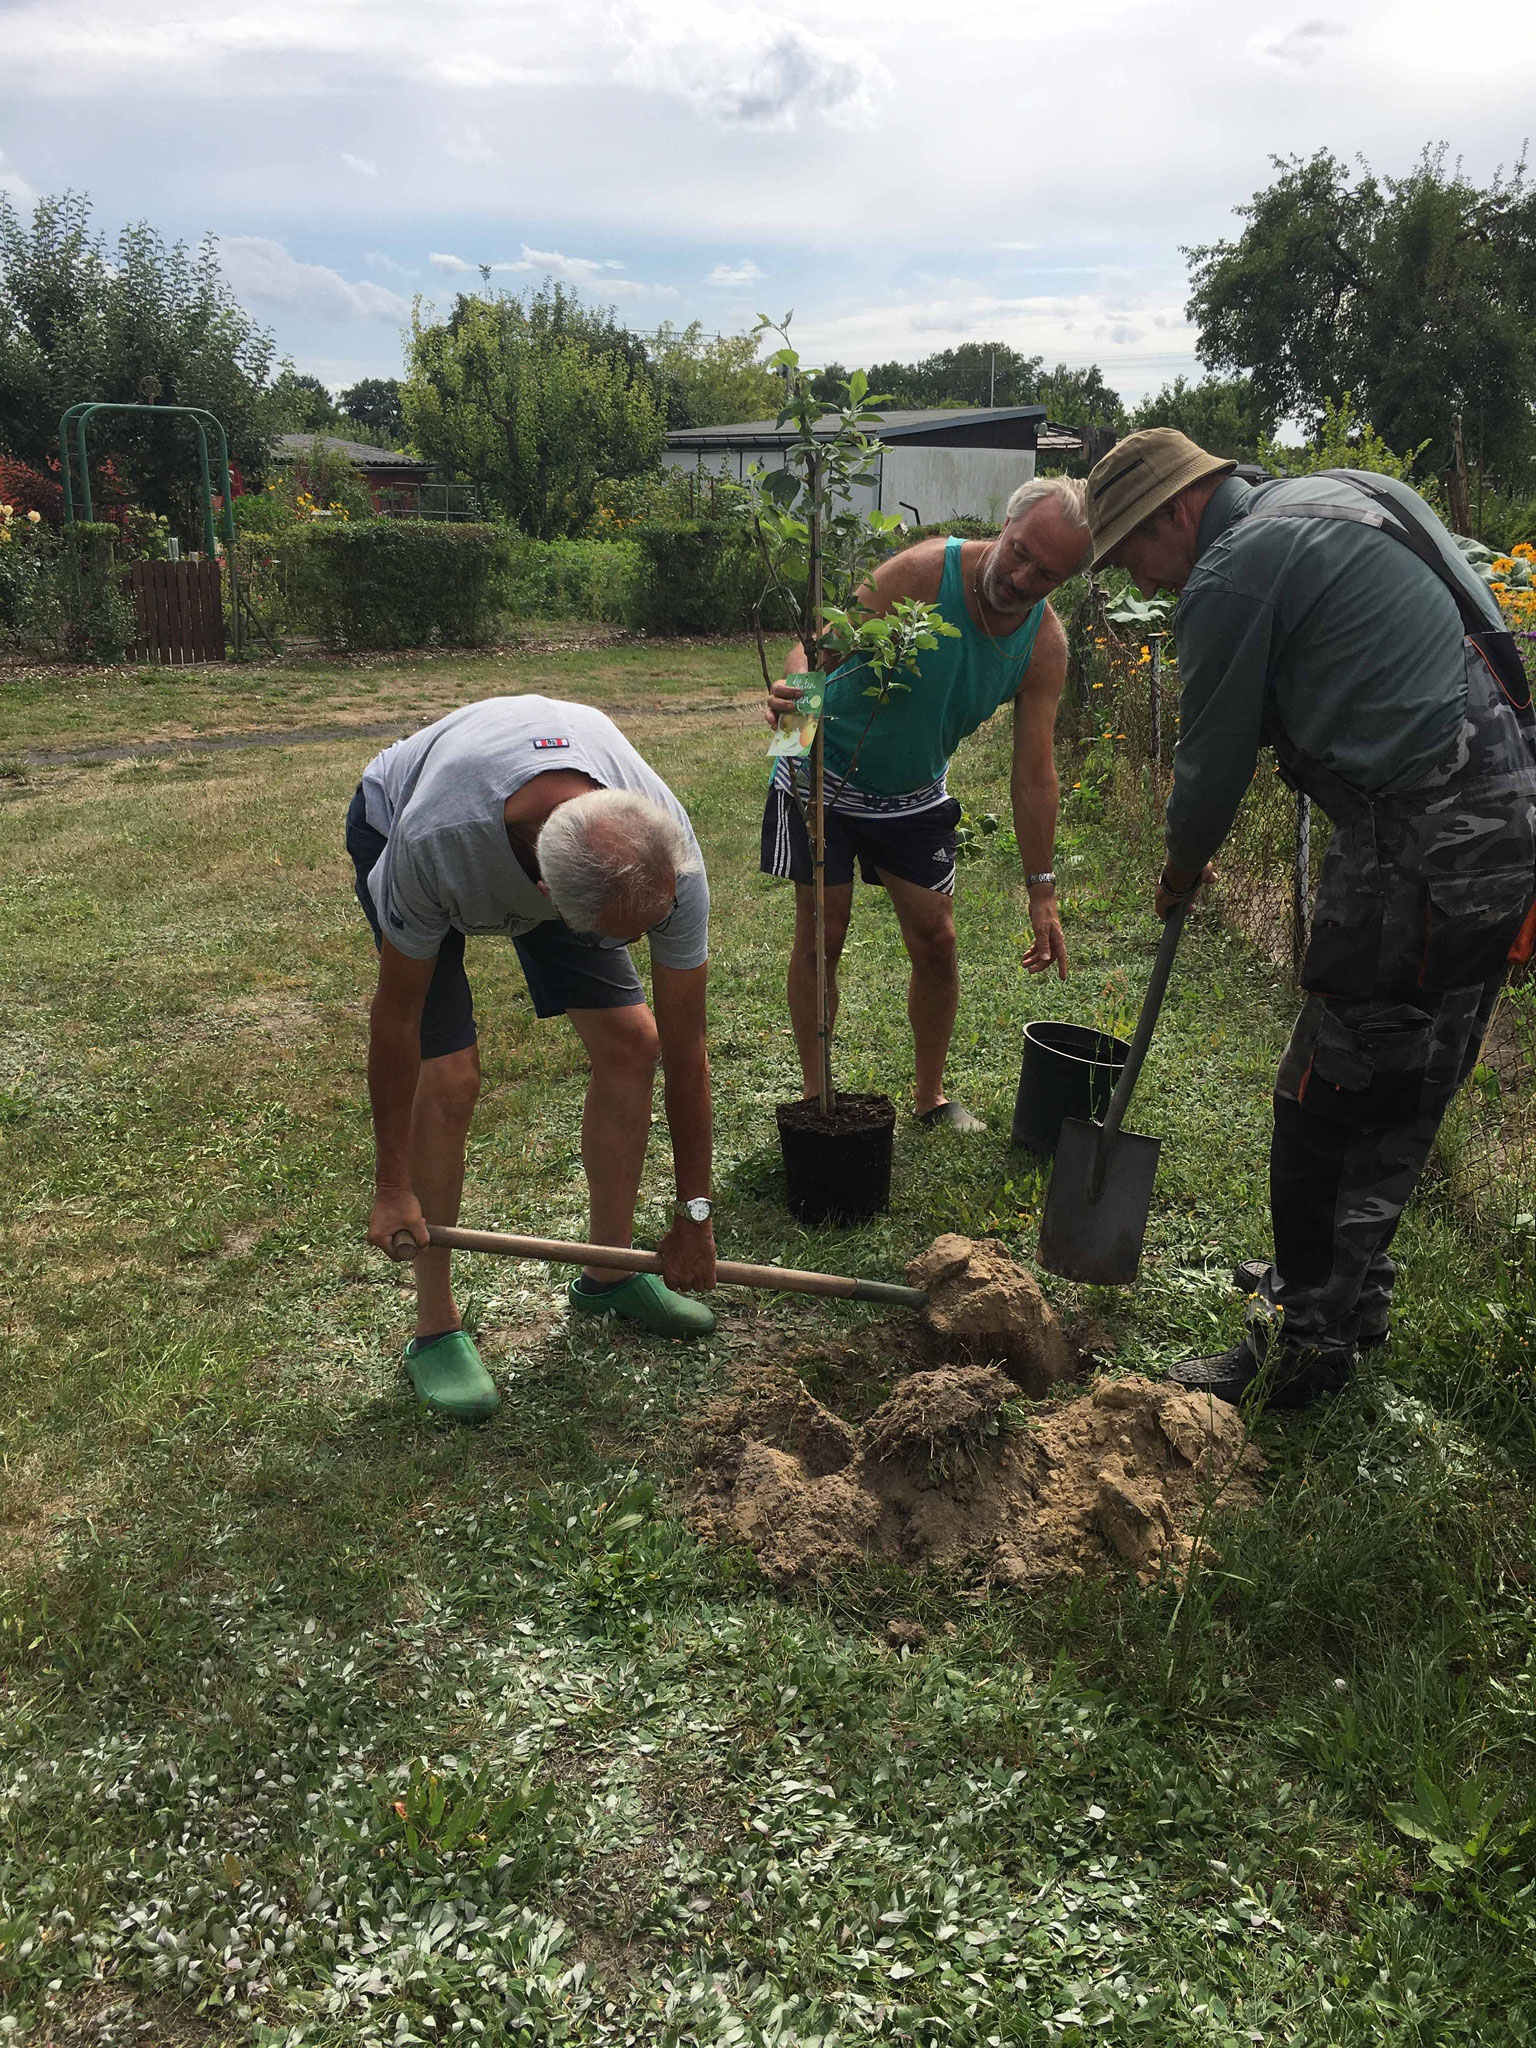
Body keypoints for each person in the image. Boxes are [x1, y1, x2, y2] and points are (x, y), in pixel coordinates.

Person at [1083, 428, 1536, 1408]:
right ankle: (1341, 1296)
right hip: (1505, 803)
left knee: (1322, 1091)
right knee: (1400, 1081)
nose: (1147, 583)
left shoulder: (1232, 572)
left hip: (1419, 834)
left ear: (1176, 511)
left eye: (1133, 556)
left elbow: (1208, 769)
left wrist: (1181, 866)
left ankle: (1307, 1345)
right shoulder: (1336, 491)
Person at [347, 696, 718, 1425]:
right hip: (402, 811)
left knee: (633, 1041)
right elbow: (396, 1020)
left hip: (578, 852)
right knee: (449, 1077)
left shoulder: (665, 859)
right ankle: (435, 1324)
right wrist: (392, 1183)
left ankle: (609, 1272)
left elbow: (686, 1047)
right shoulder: (433, 845)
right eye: (623, 938)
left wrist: (694, 1211)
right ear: (548, 903)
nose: (648, 945)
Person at [762, 477, 1093, 1128]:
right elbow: (818, 645)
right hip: (825, 771)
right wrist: (791, 733)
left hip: (913, 793)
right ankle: (815, 1098)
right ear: (1006, 523)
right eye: (1020, 551)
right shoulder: (919, 573)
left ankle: (931, 1098)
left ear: (1067, 581)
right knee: (822, 935)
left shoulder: (1043, 646)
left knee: (938, 942)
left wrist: (1042, 888)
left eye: (1046, 575)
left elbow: (1034, 776)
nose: (1022, 578)